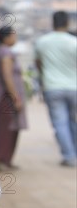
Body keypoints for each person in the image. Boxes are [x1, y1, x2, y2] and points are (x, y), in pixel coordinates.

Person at [35, 11, 77, 167]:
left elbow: (39, 64)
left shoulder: (42, 41)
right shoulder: (74, 42)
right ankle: (73, 152)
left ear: (52, 23)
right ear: (67, 23)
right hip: (74, 87)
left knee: (60, 123)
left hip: (52, 87)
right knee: (73, 121)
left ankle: (69, 156)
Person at [0, 26, 27, 171]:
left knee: (10, 129)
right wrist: (15, 97)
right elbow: (7, 76)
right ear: (6, 37)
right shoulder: (5, 53)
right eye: (14, 35)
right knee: (5, 129)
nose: (15, 38)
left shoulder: (2, 52)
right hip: (6, 97)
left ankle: (6, 159)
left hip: (5, 95)